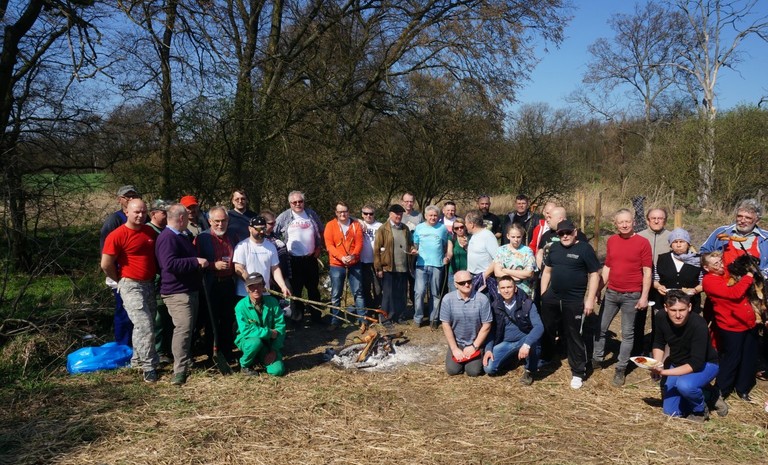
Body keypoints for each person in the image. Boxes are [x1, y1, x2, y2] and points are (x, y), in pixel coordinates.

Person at [101, 199, 160, 383]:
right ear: (126, 212)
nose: (140, 215)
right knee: (144, 324)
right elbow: (106, 264)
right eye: (136, 212)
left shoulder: (149, 232)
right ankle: (149, 367)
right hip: (130, 284)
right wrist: (120, 280)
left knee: (146, 323)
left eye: (143, 212)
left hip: (149, 284)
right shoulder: (117, 235)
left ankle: (137, 360)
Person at [593, 208, 652, 387]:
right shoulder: (612, 241)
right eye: (621, 222)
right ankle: (597, 358)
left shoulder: (643, 243)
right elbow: (608, 267)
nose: (624, 225)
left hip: (632, 295)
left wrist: (644, 296)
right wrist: (599, 289)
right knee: (601, 327)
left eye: (627, 221)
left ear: (634, 222)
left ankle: (621, 368)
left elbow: (647, 272)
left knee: (627, 333)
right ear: (615, 224)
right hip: (612, 293)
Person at [539, 220, 601, 389]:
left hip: (573, 299)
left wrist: (590, 299)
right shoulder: (554, 248)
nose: (565, 236)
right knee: (548, 327)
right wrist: (543, 294)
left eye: (568, 232)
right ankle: (546, 356)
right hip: (552, 297)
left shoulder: (585, 249)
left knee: (574, 334)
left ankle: (578, 372)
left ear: (575, 232)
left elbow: (594, 274)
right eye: (561, 233)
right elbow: (547, 271)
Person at [649, 290, 725, 422]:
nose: (678, 315)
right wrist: (656, 364)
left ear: (689, 307)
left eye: (682, 310)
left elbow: (696, 363)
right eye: (673, 310)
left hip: (705, 365)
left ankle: (700, 409)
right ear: (666, 308)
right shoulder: (660, 317)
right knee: (672, 412)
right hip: (677, 362)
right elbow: (659, 343)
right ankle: (704, 392)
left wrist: (663, 372)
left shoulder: (699, 324)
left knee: (685, 386)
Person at [155, 203, 209, 385]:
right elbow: (169, 264)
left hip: (189, 290)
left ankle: (187, 361)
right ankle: (179, 370)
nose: (190, 219)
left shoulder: (181, 236)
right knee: (183, 329)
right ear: (181, 218)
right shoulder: (168, 238)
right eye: (186, 216)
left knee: (189, 328)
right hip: (177, 292)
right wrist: (195, 261)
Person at [701, 251, 758, 402]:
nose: (720, 265)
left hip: (748, 322)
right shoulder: (709, 281)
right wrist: (749, 276)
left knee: (748, 357)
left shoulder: (725, 272)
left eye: (720, 261)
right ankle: (721, 390)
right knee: (731, 359)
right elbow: (734, 293)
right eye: (716, 264)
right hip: (731, 325)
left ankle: (743, 388)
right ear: (706, 268)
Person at [195, 206, 239, 363]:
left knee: (228, 319)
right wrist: (214, 265)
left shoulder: (233, 236)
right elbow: (196, 262)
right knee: (211, 320)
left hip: (229, 283)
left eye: (223, 221)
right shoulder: (202, 238)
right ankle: (212, 354)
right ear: (210, 221)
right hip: (211, 284)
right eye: (217, 221)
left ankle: (227, 352)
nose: (220, 224)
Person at [274, 191, 324, 324]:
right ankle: (298, 319)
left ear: (304, 202)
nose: (298, 204)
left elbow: (321, 230)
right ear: (290, 203)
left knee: (313, 289)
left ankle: (316, 317)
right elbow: (273, 232)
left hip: (310, 259)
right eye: (294, 202)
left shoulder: (311, 214)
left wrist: (319, 248)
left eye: (300, 201)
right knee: (296, 291)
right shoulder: (284, 217)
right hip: (293, 260)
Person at [100, 184, 141, 347]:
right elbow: (105, 254)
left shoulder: (142, 218)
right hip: (120, 275)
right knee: (124, 312)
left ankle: (137, 347)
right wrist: (115, 277)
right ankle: (123, 346)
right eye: (127, 196)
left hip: (138, 275)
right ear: (120, 199)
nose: (130, 199)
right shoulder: (114, 220)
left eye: (133, 196)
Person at [483, 275, 544, 384]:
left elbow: (539, 326)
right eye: (503, 288)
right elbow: (491, 330)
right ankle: (513, 357)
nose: (506, 291)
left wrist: (527, 344)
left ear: (515, 288)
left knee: (533, 341)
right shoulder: (494, 306)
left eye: (509, 287)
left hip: (524, 340)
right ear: (498, 290)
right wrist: (488, 349)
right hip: (506, 342)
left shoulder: (527, 303)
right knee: (489, 369)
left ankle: (529, 370)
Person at [440, 270, 493, 377]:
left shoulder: (482, 299)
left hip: (476, 342)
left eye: (469, 281)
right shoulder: (447, 299)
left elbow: (487, 325)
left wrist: (474, 346)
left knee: (473, 371)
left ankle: (479, 353)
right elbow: (446, 325)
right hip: (457, 342)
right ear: (455, 284)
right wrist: (454, 348)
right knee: (452, 370)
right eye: (462, 283)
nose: (467, 285)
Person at [234, 272, 286, 377]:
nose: (256, 289)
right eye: (252, 286)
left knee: (277, 370)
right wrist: (269, 333)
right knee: (255, 343)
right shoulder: (240, 306)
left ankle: (260, 358)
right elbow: (246, 330)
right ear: (246, 288)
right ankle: (245, 365)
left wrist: (274, 350)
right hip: (247, 340)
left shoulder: (273, 302)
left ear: (263, 287)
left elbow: (280, 328)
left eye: (259, 285)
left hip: (268, 343)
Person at [324, 201, 365, 329]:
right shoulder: (330, 225)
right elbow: (329, 245)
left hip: (354, 263)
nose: (343, 214)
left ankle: (363, 320)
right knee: (336, 294)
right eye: (340, 212)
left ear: (348, 212)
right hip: (337, 264)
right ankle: (335, 320)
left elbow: (359, 243)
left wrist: (353, 255)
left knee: (358, 292)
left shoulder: (356, 225)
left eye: (345, 211)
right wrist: (341, 257)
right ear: (336, 213)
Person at [700, 198, 768, 276]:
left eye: (748, 218)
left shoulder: (765, 238)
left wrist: (761, 275)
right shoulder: (721, 232)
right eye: (739, 216)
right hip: (720, 280)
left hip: (752, 281)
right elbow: (703, 252)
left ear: (757, 220)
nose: (742, 221)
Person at [412, 205, 451, 329]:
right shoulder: (419, 228)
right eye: (430, 215)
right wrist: (414, 250)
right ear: (425, 216)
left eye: (435, 215)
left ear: (438, 216)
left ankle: (434, 318)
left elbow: (445, 245)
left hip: (437, 265)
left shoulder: (442, 228)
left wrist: (445, 256)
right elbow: (415, 244)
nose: (433, 218)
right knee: (419, 292)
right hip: (421, 265)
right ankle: (418, 318)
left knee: (435, 293)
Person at [374, 204, 413, 324]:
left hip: (403, 266)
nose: (399, 216)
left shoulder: (405, 228)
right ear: (390, 214)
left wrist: (413, 249)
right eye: (396, 214)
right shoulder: (383, 229)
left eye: (400, 214)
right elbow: (376, 250)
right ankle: (385, 318)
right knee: (388, 295)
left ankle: (399, 317)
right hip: (389, 267)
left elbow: (410, 244)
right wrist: (379, 268)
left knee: (401, 294)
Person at [233, 216, 291, 298]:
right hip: (245, 293)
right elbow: (239, 269)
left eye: (263, 229)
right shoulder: (242, 246)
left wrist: (283, 286)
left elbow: (275, 269)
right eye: (258, 229)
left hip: (264, 292)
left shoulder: (271, 247)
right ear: (250, 229)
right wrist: (254, 285)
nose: (261, 232)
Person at [146, 199, 173, 364]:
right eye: (164, 212)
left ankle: (168, 349)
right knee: (159, 317)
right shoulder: (148, 231)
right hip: (155, 279)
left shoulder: (168, 229)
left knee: (169, 316)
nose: (167, 215)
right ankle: (159, 350)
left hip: (169, 280)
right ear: (153, 213)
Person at [653, 228, 703, 312]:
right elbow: (655, 278)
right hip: (665, 304)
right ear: (671, 244)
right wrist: (659, 287)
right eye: (675, 242)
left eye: (682, 242)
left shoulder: (697, 259)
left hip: (690, 304)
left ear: (688, 243)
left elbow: (703, 281)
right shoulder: (663, 258)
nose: (678, 245)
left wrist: (695, 290)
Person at [493, 223, 536, 298]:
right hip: (505, 291)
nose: (516, 240)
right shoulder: (501, 250)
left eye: (518, 237)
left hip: (523, 291)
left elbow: (529, 273)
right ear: (508, 236)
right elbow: (497, 272)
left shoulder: (528, 251)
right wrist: (515, 278)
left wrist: (506, 270)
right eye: (513, 237)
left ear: (522, 236)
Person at [465, 210, 499, 302]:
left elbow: (498, 258)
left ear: (472, 224)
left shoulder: (487, 236)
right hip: (473, 277)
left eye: (466, 223)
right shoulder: (473, 236)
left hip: (485, 280)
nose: (465, 225)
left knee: (485, 305)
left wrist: (485, 275)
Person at [359, 205, 383, 310]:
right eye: (365, 213)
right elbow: (346, 216)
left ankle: (378, 309)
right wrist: (359, 220)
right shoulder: (358, 224)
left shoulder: (380, 226)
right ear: (362, 214)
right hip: (363, 261)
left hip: (376, 261)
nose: (368, 216)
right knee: (365, 287)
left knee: (378, 287)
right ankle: (369, 309)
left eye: (371, 213)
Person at [447, 217, 469, 293]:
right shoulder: (452, 238)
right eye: (456, 228)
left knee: (466, 293)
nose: (459, 229)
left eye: (461, 227)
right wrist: (447, 258)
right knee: (454, 294)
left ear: (465, 227)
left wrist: (466, 247)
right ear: (453, 230)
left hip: (467, 272)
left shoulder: (471, 238)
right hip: (453, 272)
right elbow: (449, 252)